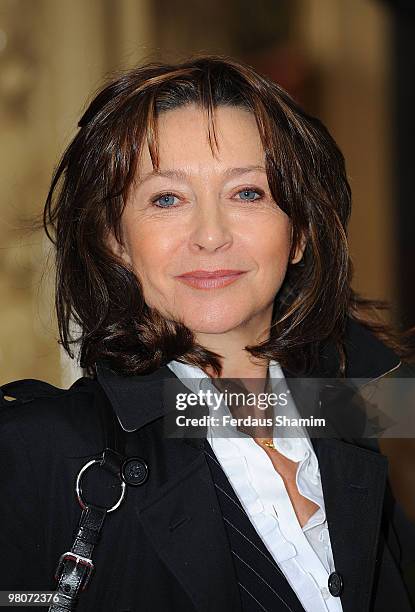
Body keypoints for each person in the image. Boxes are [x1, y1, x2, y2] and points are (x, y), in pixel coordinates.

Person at [1, 54, 414, 612]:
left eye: (248, 193)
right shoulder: (37, 448)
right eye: (166, 199)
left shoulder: (350, 419)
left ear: (299, 234)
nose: (210, 235)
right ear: (117, 241)